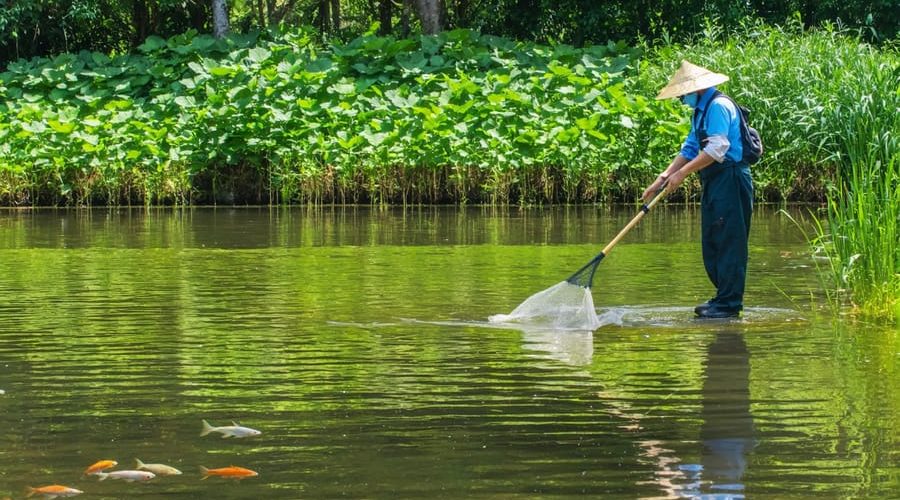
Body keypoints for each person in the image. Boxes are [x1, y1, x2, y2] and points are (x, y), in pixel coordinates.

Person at [643, 60, 754, 319]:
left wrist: (682, 175)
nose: (682, 100)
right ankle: (722, 297)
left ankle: (729, 304)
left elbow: (717, 149)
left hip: (731, 178)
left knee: (729, 240)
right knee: (713, 240)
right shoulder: (700, 111)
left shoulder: (718, 106)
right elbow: (691, 147)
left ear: (696, 90)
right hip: (714, 180)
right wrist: (665, 176)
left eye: (683, 96)